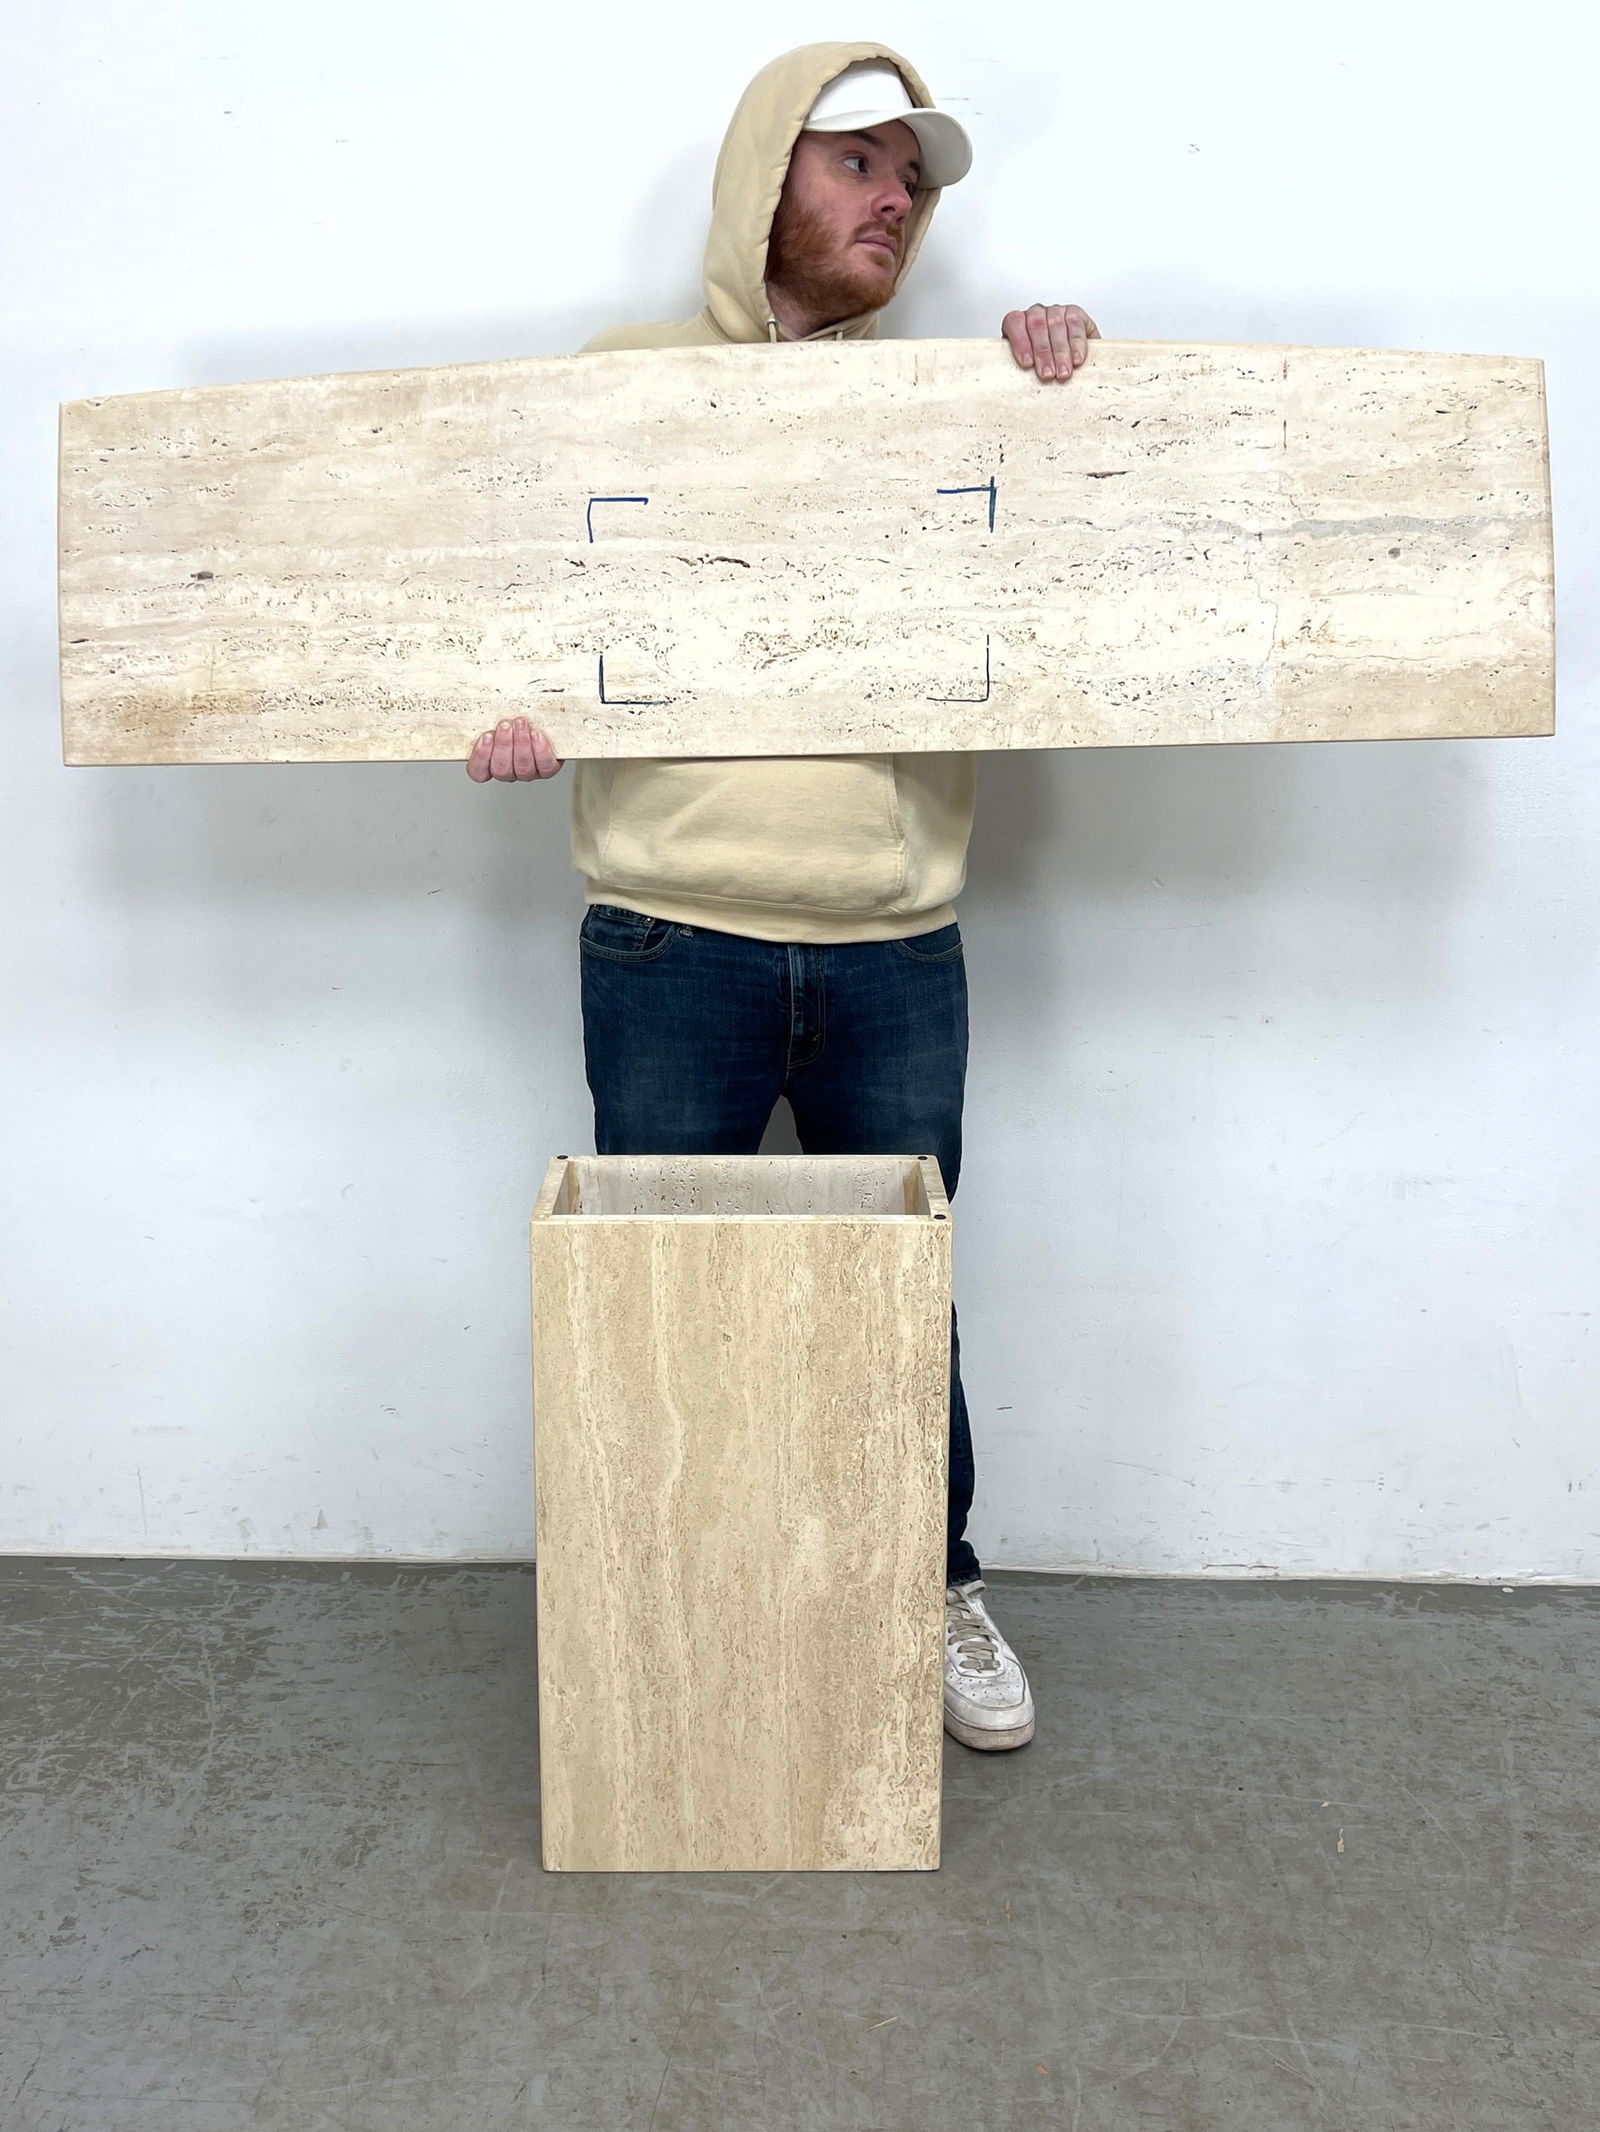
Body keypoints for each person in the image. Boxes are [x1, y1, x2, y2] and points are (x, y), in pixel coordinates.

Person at [468, 42, 1098, 1753]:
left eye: (914, 180)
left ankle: (933, 1580)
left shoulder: (957, 407)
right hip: (672, 936)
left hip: (896, 946)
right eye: (858, 166)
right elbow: (508, 622)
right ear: (767, 181)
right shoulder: (622, 386)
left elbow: (1102, 576)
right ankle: (664, 1597)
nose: (895, 199)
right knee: (656, 1307)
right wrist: (505, 711)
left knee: (906, 1299)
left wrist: (1075, 401)